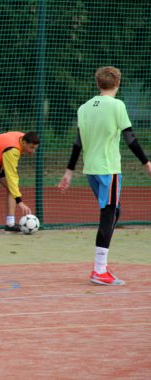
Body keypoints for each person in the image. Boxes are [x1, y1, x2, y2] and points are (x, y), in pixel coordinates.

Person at [58, 66, 151, 286]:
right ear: (117, 82)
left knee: (114, 210)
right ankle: (99, 270)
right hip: (109, 169)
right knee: (109, 213)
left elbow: (77, 143)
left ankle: (101, 265)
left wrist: (69, 172)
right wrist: (147, 162)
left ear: (98, 83)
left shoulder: (84, 108)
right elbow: (130, 138)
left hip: (91, 169)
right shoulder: (117, 105)